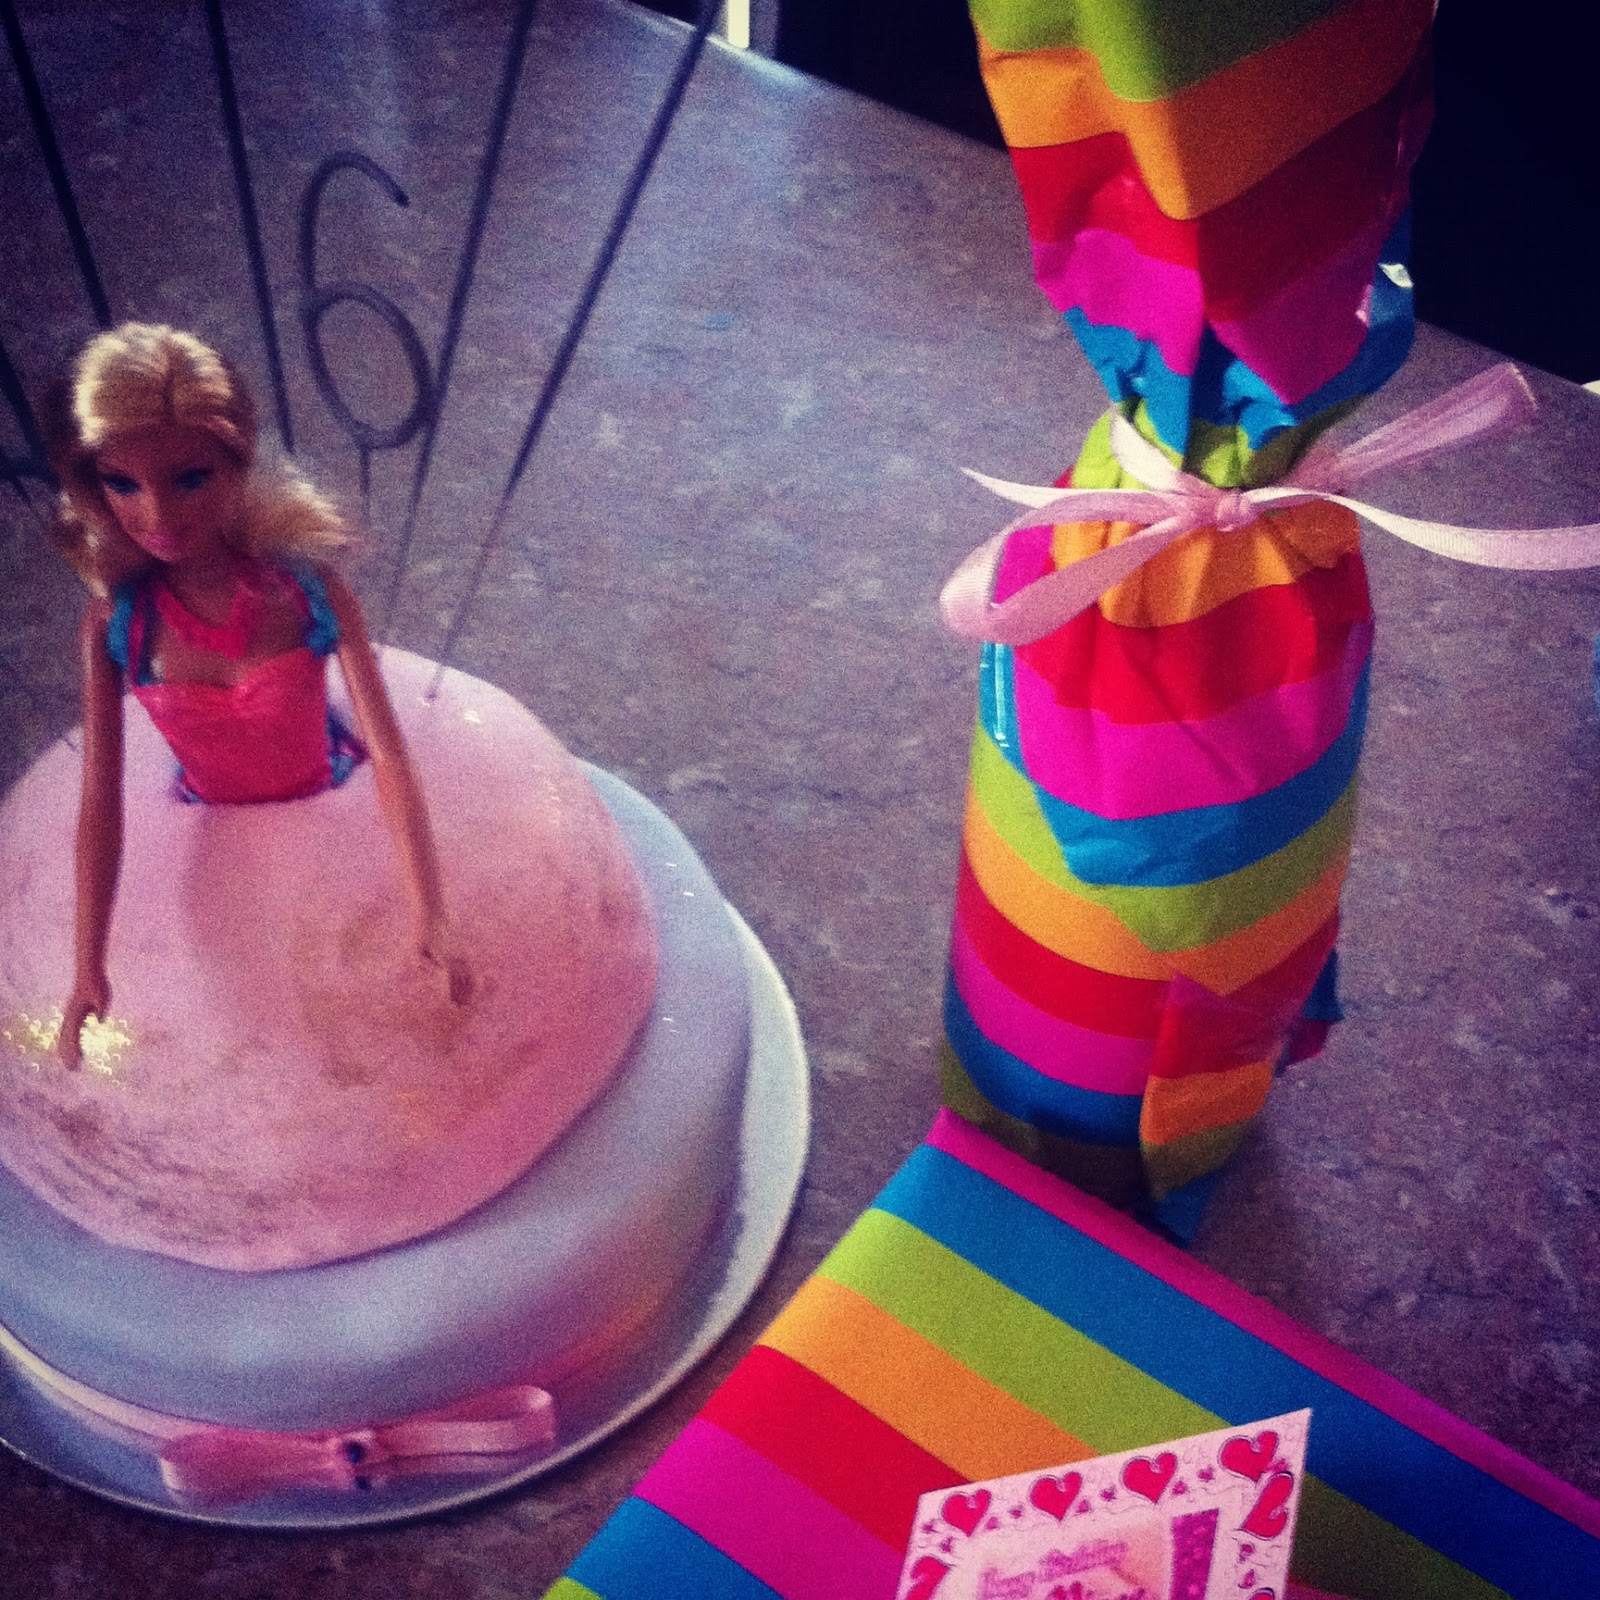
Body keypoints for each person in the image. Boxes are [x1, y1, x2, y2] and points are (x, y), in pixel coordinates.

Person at [45, 322, 470, 1065]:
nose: (159, 516)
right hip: (209, 827)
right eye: (122, 484)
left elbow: (391, 756)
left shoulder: (308, 593)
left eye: (190, 478)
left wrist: (431, 910)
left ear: (237, 463)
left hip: (331, 802)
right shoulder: (115, 625)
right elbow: (100, 800)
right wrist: (88, 963)